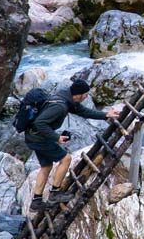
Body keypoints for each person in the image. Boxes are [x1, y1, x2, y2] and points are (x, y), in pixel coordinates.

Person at [25, 77, 122, 213]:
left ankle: (36, 201)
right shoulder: (60, 106)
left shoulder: (66, 97)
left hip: (34, 136)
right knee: (66, 159)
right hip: (39, 138)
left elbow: (83, 111)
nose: (86, 97)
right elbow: (40, 123)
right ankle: (55, 193)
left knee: (46, 166)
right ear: (79, 95)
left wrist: (106, 115)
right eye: (86, 95)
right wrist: (56, 137)